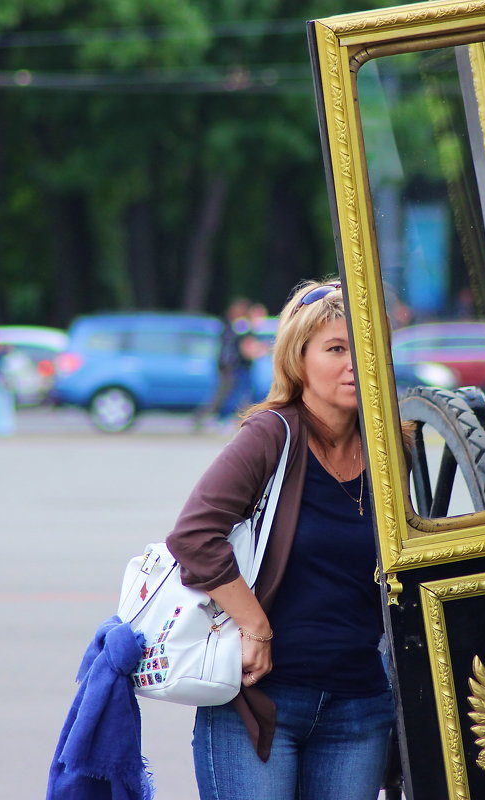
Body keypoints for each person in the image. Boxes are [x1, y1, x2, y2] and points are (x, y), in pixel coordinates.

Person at [166, 280, 394, 800]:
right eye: (336, 349)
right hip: (261, 703)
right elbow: (194, 536)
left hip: (360, 707)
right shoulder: (272, 434)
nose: (352, 363)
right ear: (298, 359)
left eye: (363, 348)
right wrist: (255, 627)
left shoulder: (392, 450)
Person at [195, 298, 255, 429]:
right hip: (230, 366)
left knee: (230, 393)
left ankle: (211, 417)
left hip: (230, 364)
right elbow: (238, 346)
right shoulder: (236, 326)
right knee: (226, 394)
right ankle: (211, 417)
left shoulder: (229, 326)